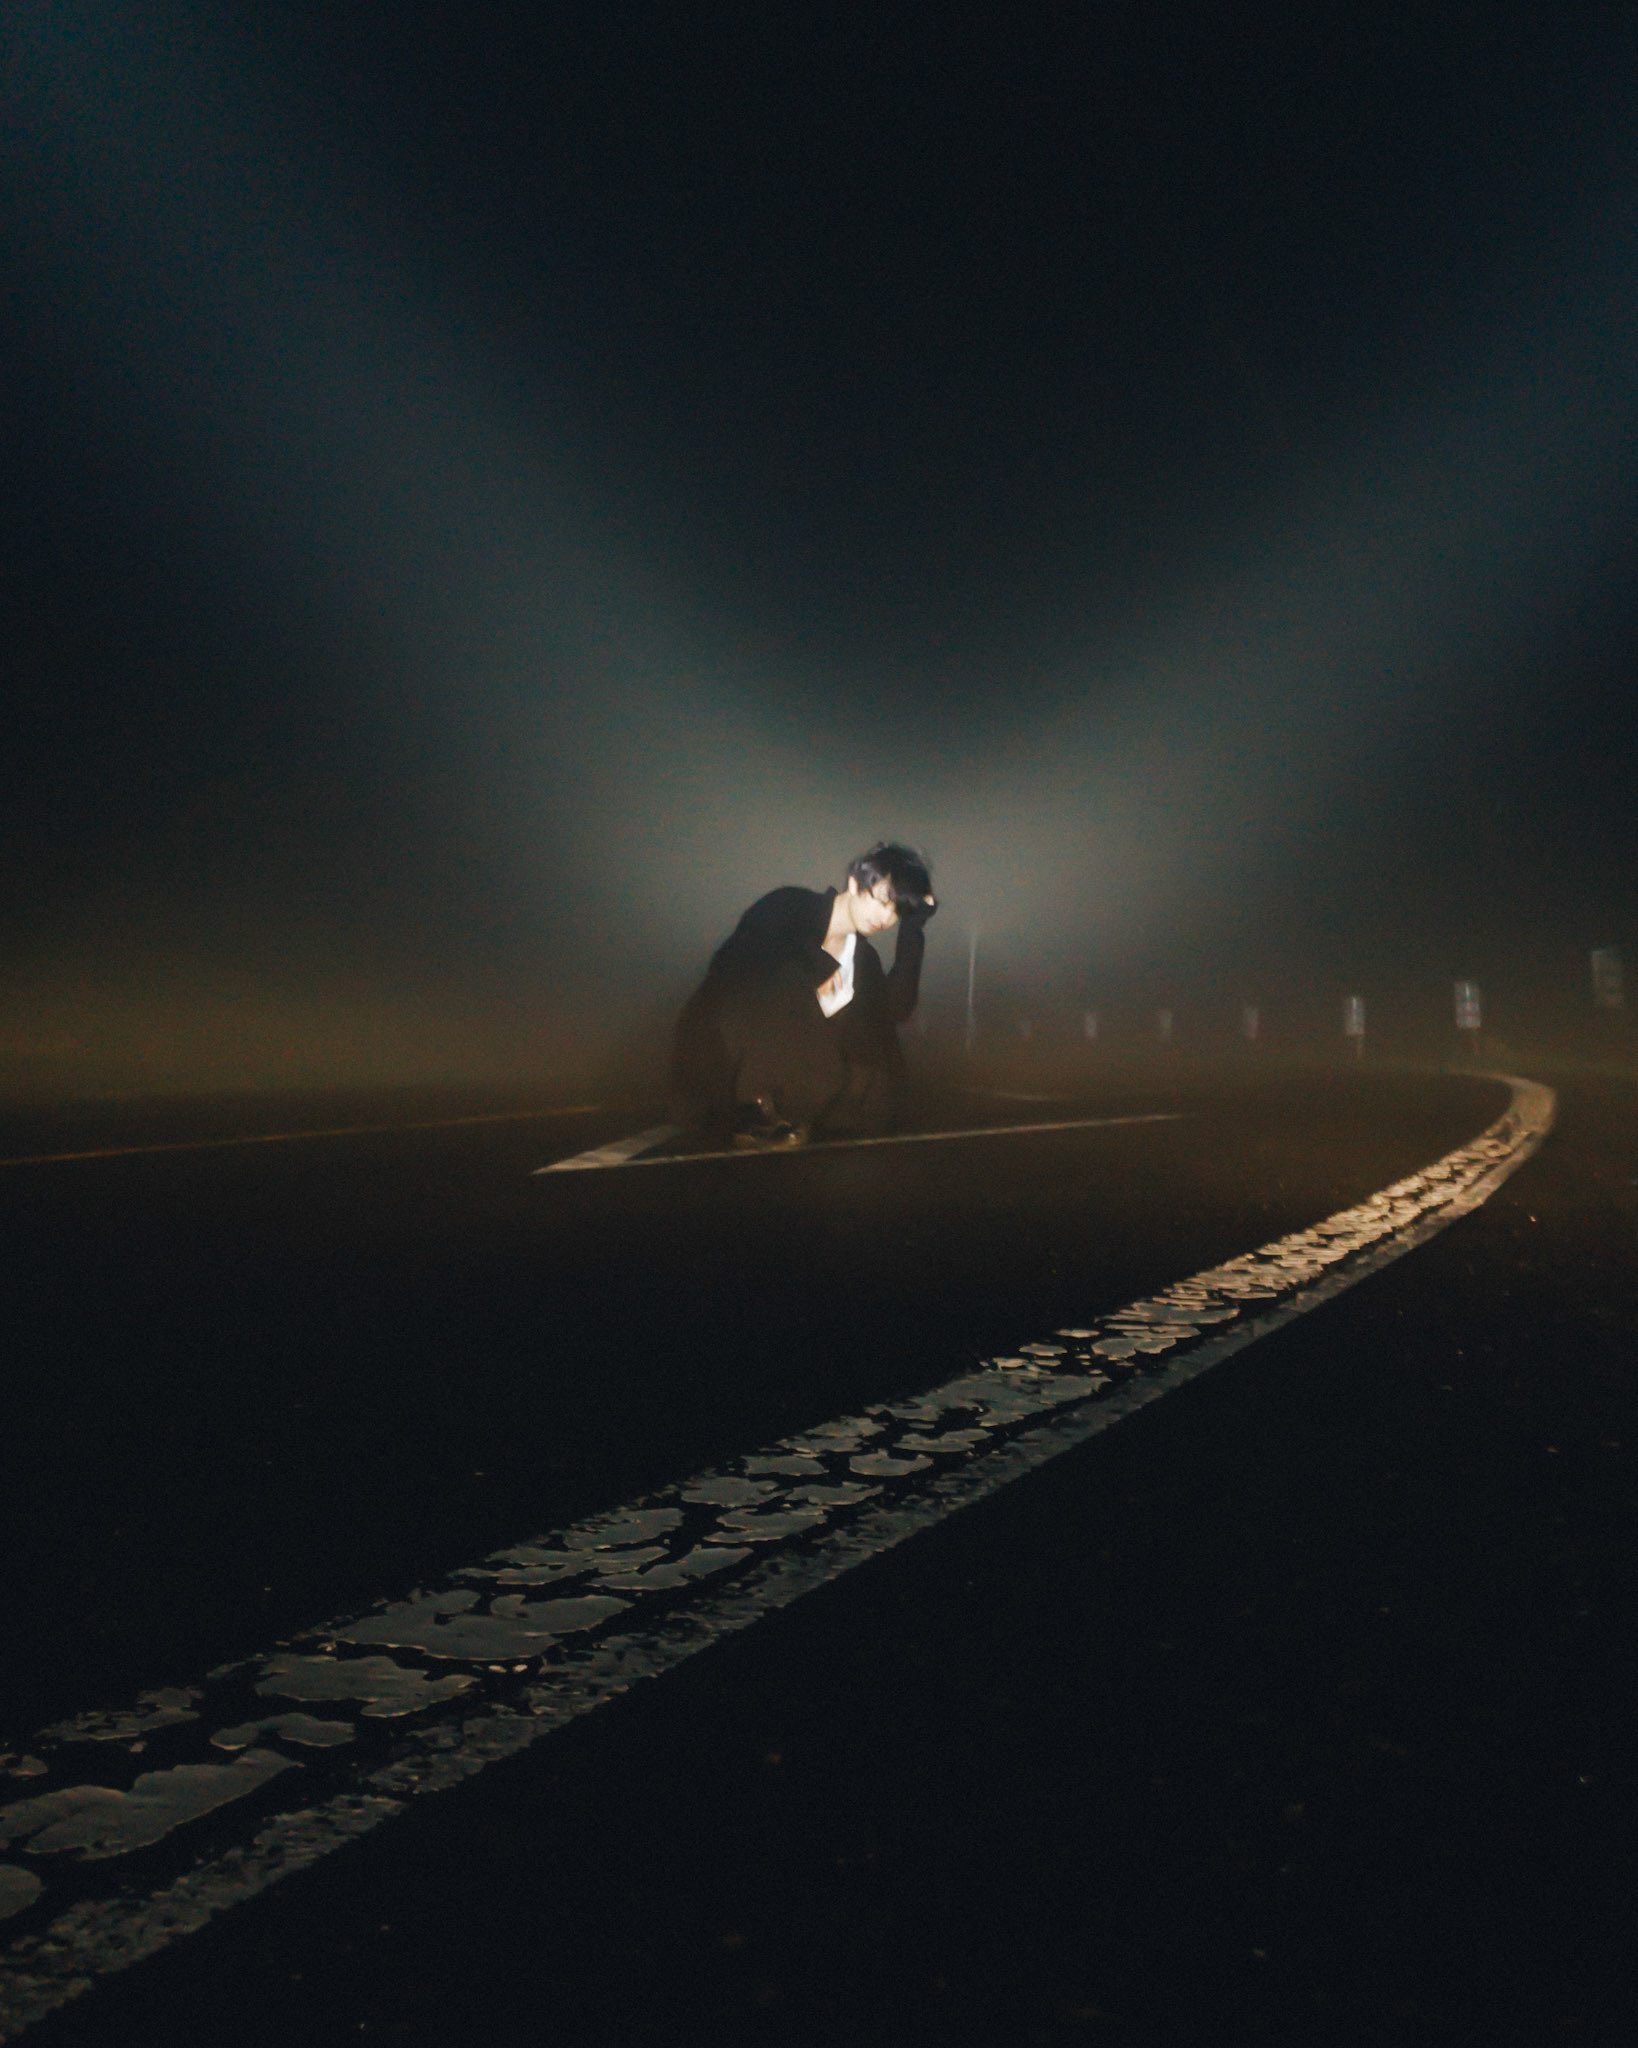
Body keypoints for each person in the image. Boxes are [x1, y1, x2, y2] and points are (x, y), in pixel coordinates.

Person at [670, 843, 936, 1146]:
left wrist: (913, 928)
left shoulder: (861, 958)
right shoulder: (789, 907)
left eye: (897, 911)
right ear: (855, 883)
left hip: (803, 1093)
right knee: (786, 989)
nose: (885, 917)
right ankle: (756, 1113)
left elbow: (896, 1008)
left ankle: (839, 1124)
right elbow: (730, 976)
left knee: (876, 1045)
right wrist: (818, 982)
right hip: (724, 1058)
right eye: (883, 899)